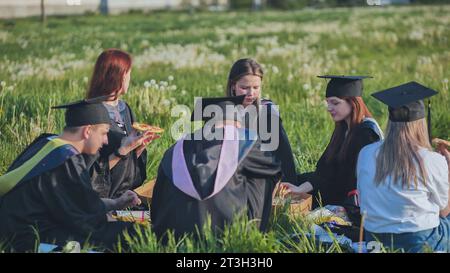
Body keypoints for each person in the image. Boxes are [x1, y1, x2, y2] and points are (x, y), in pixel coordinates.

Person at [0, 97, 141, 252]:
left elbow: (80, 204)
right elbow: (86, 220)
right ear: (87, 131)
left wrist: (116, 203)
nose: (106, 140)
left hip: (14, 229)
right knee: (127, 238)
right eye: (104, 133)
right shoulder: (66, 159)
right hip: (27, 240)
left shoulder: (47, 142)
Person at [150, 95, 282, 240]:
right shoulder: (246, 143)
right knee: (265, 175)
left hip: (173, 235)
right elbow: (274, 172)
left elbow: (157, 202)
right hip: (228, 234)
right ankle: (253, 232)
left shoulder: (176, 149)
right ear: (237, 124)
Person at [358, 81, 450, 253]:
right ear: (421, 123)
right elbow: (444, 211)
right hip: (418, 241)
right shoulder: (431, 160)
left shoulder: (365, 153)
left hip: (374, 240)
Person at [280, 75, 383, 208]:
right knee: (293, 180)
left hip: (351, 197)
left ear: (353, 103)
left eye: (335, 103)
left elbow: (360, 181)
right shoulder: (343, 128)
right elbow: (326, 169)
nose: (329, 108)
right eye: (328, 102)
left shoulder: (367, 134)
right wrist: (300, 189)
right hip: (335, 185)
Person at [86, 49, 157, 199]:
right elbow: (90, 172)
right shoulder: (91, 113)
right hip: (104, 198)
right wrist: (123, 150)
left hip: (128, 193)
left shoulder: (125, 108)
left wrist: (138, 147)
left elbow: (128, 162)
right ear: (118, 76)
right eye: (128, 73)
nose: (129, 78)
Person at [225, 58, 297, 184]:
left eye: (256, 87)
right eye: (244, 87)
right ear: (233, 86)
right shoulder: (221, 110)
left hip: (262, 177)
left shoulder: (267, 112)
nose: (251, 93)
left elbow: (282, 156)